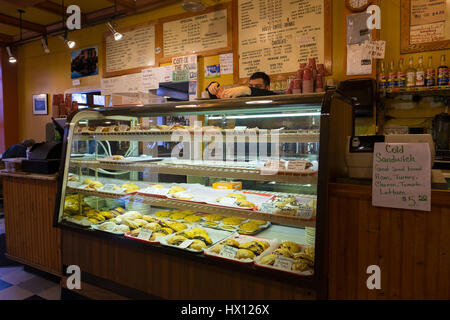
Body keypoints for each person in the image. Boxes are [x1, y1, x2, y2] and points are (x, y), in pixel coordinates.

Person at [206, 72, 277, 99]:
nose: (254, 89)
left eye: (258, 87)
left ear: (267, 88)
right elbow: (218, 102)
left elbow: (272, 95)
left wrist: (247, 89)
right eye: (251, 86)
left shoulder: (273, 98)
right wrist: (213, 89)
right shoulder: (244, 97)